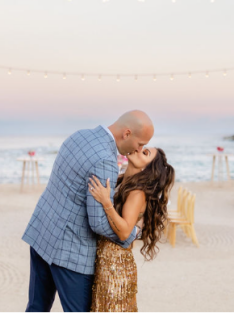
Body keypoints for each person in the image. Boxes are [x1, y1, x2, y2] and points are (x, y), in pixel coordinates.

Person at [22, 110, 154, 312]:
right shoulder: (106, 160)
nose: (140, 148)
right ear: (127, 133)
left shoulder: (79, 135)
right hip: (70, 252)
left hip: (42, 233)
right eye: (140, 144)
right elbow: (98, 223)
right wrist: (131, 234)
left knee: (36, 307)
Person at [88, 147, 174, 312]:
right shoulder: (122, 181)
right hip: (105, 263)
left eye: (145, 153)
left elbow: (125, 232)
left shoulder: (137, 193)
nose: (139, 149)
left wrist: (106, 202)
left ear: (148, 168)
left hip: (116, 268)